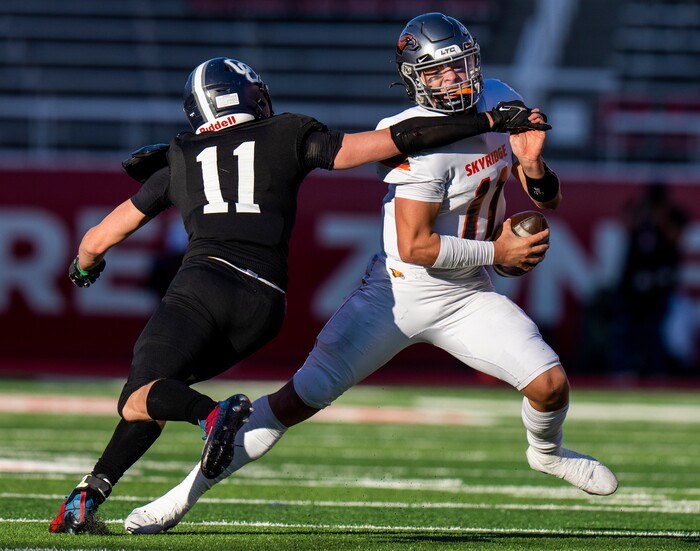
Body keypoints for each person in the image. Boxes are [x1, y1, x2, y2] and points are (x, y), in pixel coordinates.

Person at [123, 13, 618, 535]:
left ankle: (547, 452)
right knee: (295, 401)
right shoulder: (415, 142)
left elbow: (549, 197)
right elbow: (417, 246)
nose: (455, 80)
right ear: (415, 78)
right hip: (398, 295)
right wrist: (495, 251)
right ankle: (180, 497)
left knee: (551, 385)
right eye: (440, 72)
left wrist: (535, 168)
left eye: (460, 67)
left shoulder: (498, 97)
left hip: (469, 293)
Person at [49, 54, 546, 534]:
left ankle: (213, 414)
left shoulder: (179, 157)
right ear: (251, 97)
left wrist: (83, 269)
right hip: (265, 305)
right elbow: (397, 139)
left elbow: (97, 240)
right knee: (157, 392)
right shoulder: (286, 132)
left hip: (203, 285)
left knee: (139, 395)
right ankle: (88, 496)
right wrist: (484, 120)